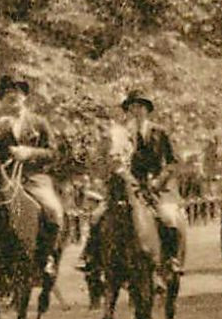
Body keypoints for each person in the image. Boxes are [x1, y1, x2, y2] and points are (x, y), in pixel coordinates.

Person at [78, 89, 184, 283]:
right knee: (97, 216)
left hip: (156, 187)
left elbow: (173, 162)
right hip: (127, 186)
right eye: (133, 107)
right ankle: (91, 258)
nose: (136, 111)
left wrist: (158, 180)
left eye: (140, 107)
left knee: (169, 218)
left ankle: (171, 259)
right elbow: (110, 159)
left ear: (147, 110)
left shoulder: (159, 132)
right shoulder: (121, 134)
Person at [0, 74, 64, 279]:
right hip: (3, 179)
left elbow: (53, 153)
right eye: (7, 93)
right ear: (2, 99)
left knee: (53, 211)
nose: (12, 96)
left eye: (16, 92)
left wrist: (29, 153)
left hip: (34, 178)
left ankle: (47, 257)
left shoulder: (39, 123)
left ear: (24, 96)